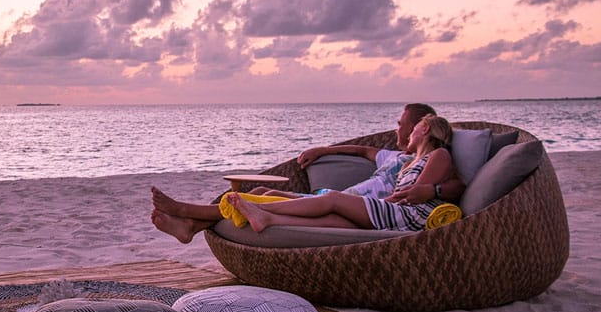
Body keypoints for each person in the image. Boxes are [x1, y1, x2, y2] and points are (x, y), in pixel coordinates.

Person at [151, 104, 463, 243]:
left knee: (278, 199)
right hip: (366, 208)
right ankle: (193, 225)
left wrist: (434, 192)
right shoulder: (399, 159)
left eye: (402, 124)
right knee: (268, 195)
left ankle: (190, 213)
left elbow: (436, 189)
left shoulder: (437, 154)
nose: (398, 129)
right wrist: (323, 150)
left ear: (422, 126)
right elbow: (361, 151)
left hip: (383, 211)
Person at [225, 114, 458, 234]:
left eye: (414, 129)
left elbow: (416, 194)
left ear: (425, 128)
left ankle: (261, 208)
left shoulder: (438, 154)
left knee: (333, 199)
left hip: (411, 216)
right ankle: (268, 218)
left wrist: (384, 201)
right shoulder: (410, 161)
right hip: (397, 211)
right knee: (334, 220)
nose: (409, 135)